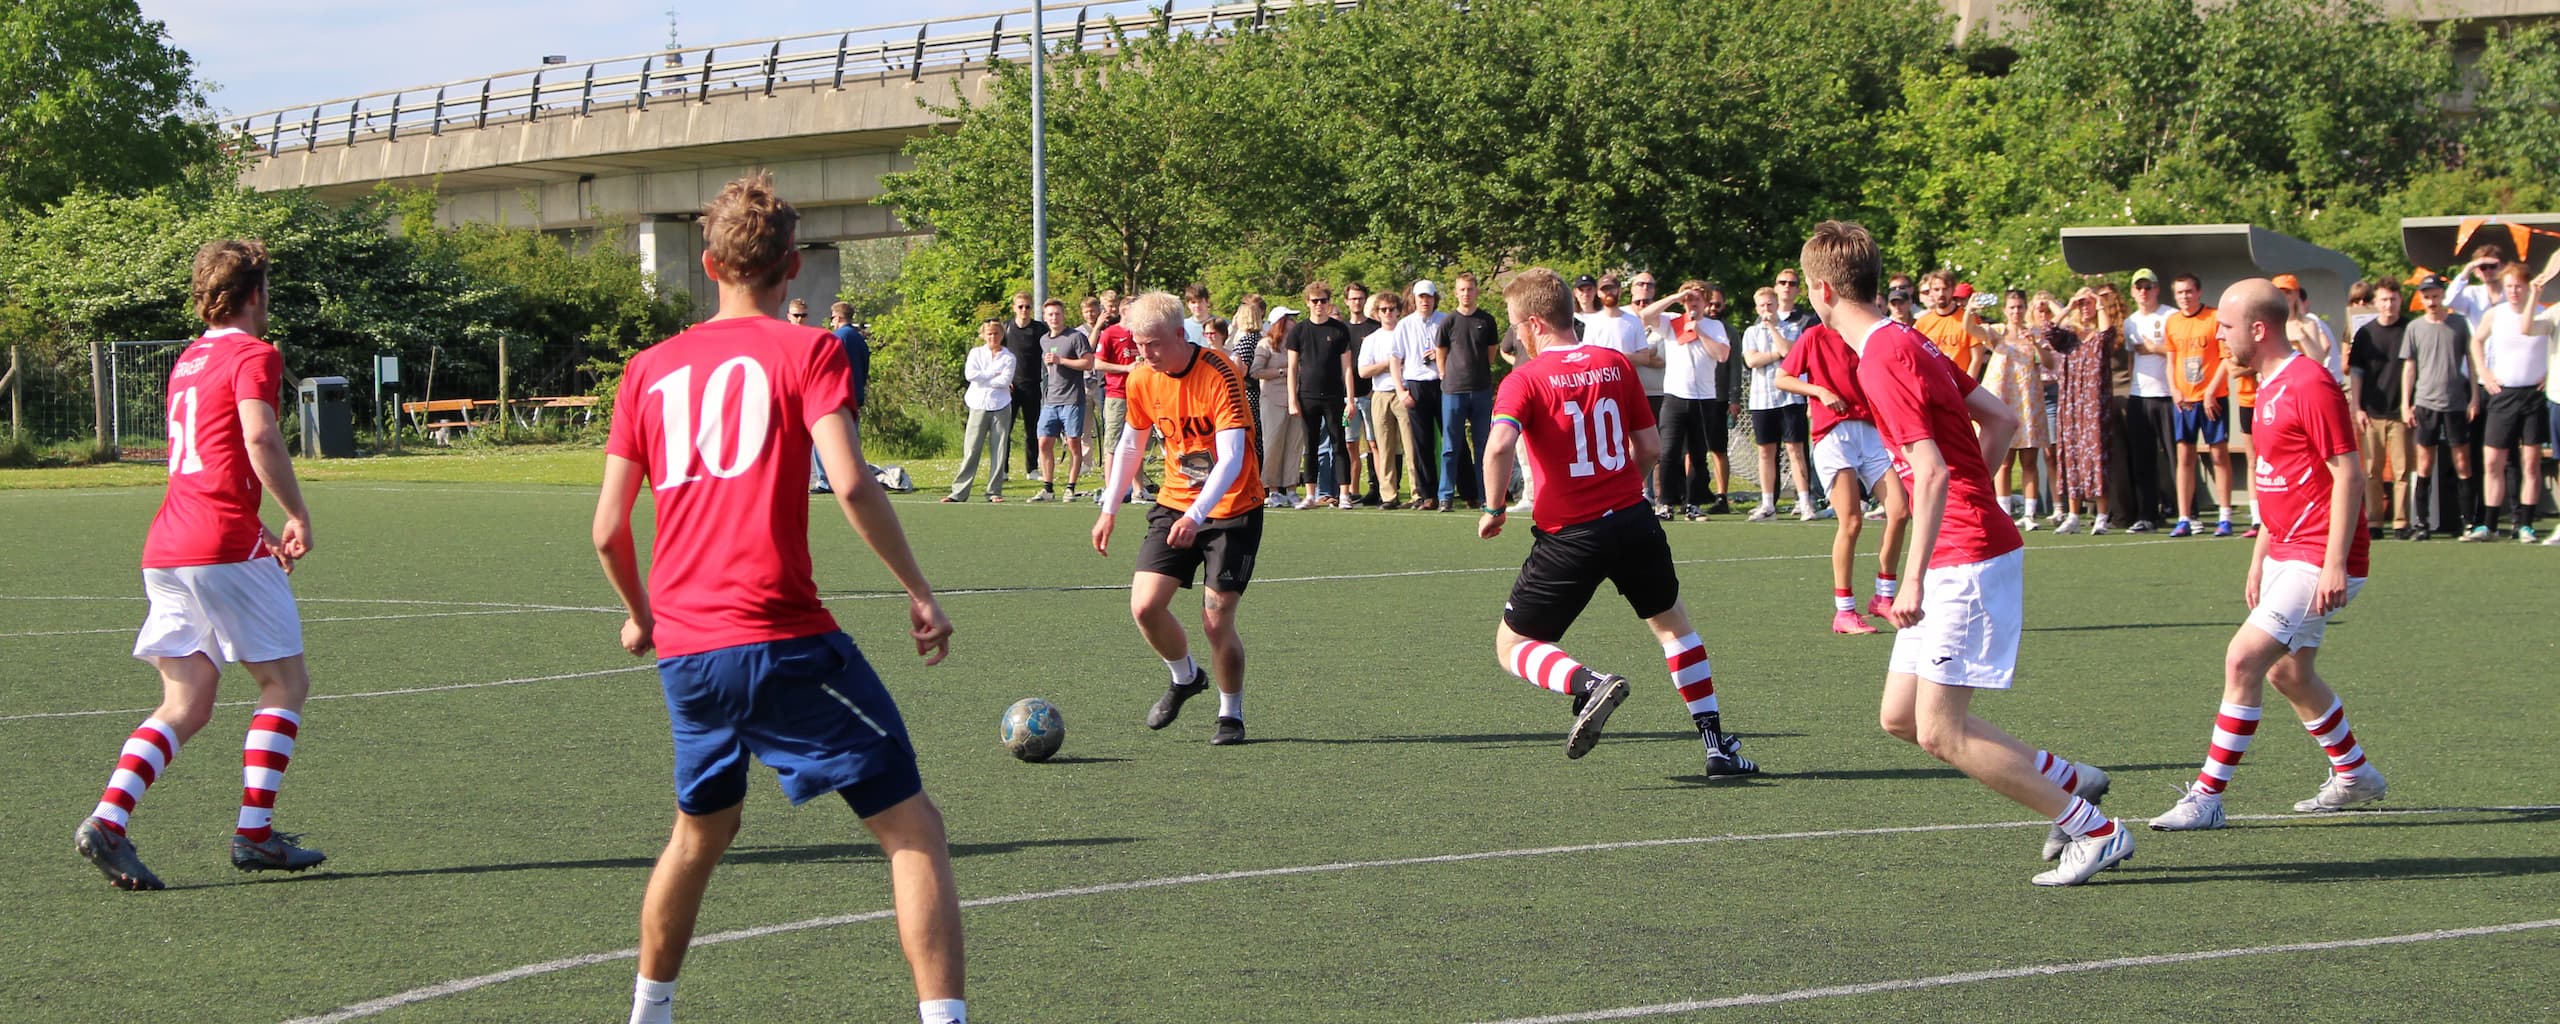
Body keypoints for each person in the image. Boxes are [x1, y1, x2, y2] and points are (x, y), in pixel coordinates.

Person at [591, 174, 964, 1024]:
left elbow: (609, 527)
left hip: (688, 652)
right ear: (793, 266)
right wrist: (919, 591)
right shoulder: (809, 351)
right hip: (778, 636)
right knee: (913, 831)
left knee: (701, 833)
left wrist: (644, 615)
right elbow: (852, 483)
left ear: (709, 264)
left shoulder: (646, 370)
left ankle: (649, 1015)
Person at [1800, 220, 2128, 887]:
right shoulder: (1907, 340)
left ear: (1823, 290)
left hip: (1964, 558)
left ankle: (2095, 830)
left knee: (1940, 732)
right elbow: (2001, 420)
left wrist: (1909, 577)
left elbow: (1933, 470)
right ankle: (2073, 782)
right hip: (1963, 543)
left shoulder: (1882, 357)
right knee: (1899, 716)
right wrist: (1969, 496)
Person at [75, 239, 325, 891]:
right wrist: (295, 513)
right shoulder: (254, 354)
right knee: (284, 684)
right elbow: (259, 436)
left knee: (186, 700)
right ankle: (255, 834)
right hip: (217, 545)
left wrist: (261, 529)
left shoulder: (187, 361)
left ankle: (109, 820)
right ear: (254, 294)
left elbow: (206, 465)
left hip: (168, 547)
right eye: (267, 290)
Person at [1474, 268, 1759, 778]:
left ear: (1535, 323)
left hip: (1571, 535)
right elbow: (1649, 448)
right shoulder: (1613, 364)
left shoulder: (1526, 379)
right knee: (1675, 630)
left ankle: (1587, 683)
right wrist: (1622, 487)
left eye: (1517, 326)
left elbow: (1498, 445)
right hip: (1633, 520)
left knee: (1512, 645)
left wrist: (1495, 509)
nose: (1516, 336)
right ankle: (1717, 747)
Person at [2149, 280, 2383, 833]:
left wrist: (2333, 564)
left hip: (2319, 552)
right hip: (2285, 549)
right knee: (2288, 674)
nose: (2218, 336)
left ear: (2259, 329)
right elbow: (2276, 481)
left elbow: (2348, 473)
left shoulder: (2309, 382)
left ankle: (2207, 798)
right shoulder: (2265, 385)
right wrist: (2259, 556)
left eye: (2225, 327)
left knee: (2242, 659)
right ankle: (2356, 774)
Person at [1092, 292, 1263, 747]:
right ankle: (1185, 677)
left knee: (1215, 620)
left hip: (1231, 509)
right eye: (1137, 345)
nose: (1144, 354)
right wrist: (1109, 508)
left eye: (1152, 344)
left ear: (1178, 335)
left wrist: (1196, 514)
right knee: (1145, 606)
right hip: (1174, 503)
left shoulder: (1219, 373)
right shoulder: (1142, 378)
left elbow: (1231, 458)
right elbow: (1131, 444)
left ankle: (1231, 713)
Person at [1776, 319, 1909, 634]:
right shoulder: (1814, 335)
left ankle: (1884, 598)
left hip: (1872, 432)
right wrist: (1819, 391)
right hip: (1834, 434)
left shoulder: (1869, 334)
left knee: (1900, 511)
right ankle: (1844, 612)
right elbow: (1783, 378)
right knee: (1851, 521)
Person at [2468, 263, 2555, 542]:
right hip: (2502, 394)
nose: (2514, 291)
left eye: (2518, 286)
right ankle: (2490, 525)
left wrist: (2548, 375)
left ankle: (2525, 524)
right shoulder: (2495, 314)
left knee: (2530, 462)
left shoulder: (2543, 314)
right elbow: (2476, 342)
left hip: (2533, 395)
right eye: (2509, 287)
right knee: (2493, 460)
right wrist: (2484, 373)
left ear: (2528, 287)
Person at [2398, 275, 2477, 539]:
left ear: (2442, 295)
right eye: (2426, 296)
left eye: (2435, 295)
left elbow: (2472, 362)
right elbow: (2409, 367)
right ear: (2421, 298)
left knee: (2462, 461)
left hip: (2455, 401)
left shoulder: (2458, 323)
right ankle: (2422, 523)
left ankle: (2468, 521)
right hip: (2425, 401)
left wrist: (2474, 397)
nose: (2431, 301)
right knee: (2424, 462)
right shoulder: (2415, 328)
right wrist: (2405, 403)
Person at [1652, 280, 1733, 521]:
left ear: (1706, 302)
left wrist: (1698, 330)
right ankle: (1665, 503)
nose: (1692, 302)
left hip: (1704, 398)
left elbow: (1722, 354)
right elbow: (1645, 316)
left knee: (1698, 453)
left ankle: (1693, 503)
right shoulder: (1671, 321)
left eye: (1697, 298)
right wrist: (1674, 299)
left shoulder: (1714, 326)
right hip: (1675, 396)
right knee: (1668, 451)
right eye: (1688, 298)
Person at [2165, 273, 2235, 538]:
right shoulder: (2172, 322)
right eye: (2180, 292)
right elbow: (2171, 361)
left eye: (2189, 291)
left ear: (2199, 292)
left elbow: (2226, 358)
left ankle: (2225, 515)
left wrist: (2211, 393)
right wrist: (2174, 390)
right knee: (2184, 457)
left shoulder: (2214, 317)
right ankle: (2184, 518)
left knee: (2219, 455)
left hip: (2212, 398)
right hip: (2185, 401)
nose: (2185, 296)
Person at [1740, 287, 1817, 521]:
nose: (1766, 310)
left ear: (1777, 305)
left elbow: (1789, 351)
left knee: (1795, 449)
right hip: (1762, 400)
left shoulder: (1792, 329)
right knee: (1766, 451)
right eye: (1762, 306)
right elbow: (1752, 360)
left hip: (1790, 398)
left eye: (1770, 305)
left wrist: (1773, 329)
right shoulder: (1751, 332)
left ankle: (1804, 502)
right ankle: (1767, 504)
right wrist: (1776, 355)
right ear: (1756, 308)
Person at [2347, 280, 2413, 538]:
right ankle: (2374, 522)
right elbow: (2356, 372)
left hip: (2400, 411)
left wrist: (2411, 403)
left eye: (2393, 299)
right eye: (2384, 300)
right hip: (2371, 412)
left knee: (2402, 471)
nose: (2388, 305)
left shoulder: (2410, 328)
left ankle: (2401, 522)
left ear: (2400, 301)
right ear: (2375, 302)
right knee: (2372, 470)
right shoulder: (2366, 333)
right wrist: (2357, 406)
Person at [2050, 287, 2118, 535]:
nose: (2085, 308)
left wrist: (2099, 303)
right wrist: (2068, 306)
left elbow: (2108, 333)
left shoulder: (2099, 338)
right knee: (2072, 456)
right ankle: (2073, 515)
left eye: (2088, 304)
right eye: (2083, 304)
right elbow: (2049, 330)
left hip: (2094, 405)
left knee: (2097, 455)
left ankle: (2101, 515)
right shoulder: (2069, 338)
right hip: (2071, 404)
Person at [1287, 282, 1357, 509]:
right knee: (1311, 445)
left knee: (1339, 443)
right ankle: (1310, 494)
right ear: (1308, 302)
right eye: (1315, 301)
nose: (1319, 305)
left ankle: (1345, 494)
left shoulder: (1339, 330)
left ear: (1329, 303)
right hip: (1307, 395)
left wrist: (1351, 399)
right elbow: (1292, 368)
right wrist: (1292, 398)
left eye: (1323, 301)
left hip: (1334, 395)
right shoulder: (1298, 331)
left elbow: (1347, 367)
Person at [2121, 269, 2176, 531]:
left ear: (2157, 289)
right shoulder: (2129, 321)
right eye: (2139, 287)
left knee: (2178, 457)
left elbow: (2180, 349)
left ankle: (2189, 513)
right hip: (2139, 397)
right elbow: (2132, 357)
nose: (2143, 292)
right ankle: (2147, 514)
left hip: (2168, 395)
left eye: (2148, 286)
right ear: (2133, 291)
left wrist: (2154, 348)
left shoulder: (2170, 315)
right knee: (2142, 459)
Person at [942, 320, 1016, 503]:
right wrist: (993, 374)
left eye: (996, 333)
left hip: (1001, 405)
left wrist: (986, 377)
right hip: (978, 404)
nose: (993, 337)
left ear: (1002, 335)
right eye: (989, 334)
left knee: (999, 450)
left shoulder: (1009, 357)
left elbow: (1005, 381)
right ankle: (959, 492)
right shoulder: (976, 353)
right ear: (983, 335)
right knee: (972, 449)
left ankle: (994, 491)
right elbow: (971, 375)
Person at [1030, 298, 1095, 502]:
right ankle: (1048, 488)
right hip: (1051, 400)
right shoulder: (1044, 340)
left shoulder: (1076, 337)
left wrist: (1062, 361)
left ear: (1063, 315)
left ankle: (1070, 487)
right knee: (1044, 442)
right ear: (1044, 317)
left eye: (1057, 314)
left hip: (1073, 399)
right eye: (1050, 314)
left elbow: (1088, 363)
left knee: (1073, 443)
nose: (1054, 318)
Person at [1091, 295, 1154, 506]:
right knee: (1113, 443)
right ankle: (1111, 490)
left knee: (1138, 442)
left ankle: (1138, 489)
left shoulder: (1142, 334)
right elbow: (1098, 364)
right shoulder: (1110, 333)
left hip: (1140, 394)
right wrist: (1125, 369)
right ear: (1125, 311)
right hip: (1117, 394)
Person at [1359, 290, 1418, 507]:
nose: (1388, 313)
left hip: (1404, 391)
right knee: (1384, 447)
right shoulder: (1372, 340)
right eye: (1383, 310)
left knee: (1411, 446)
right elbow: (1363, 371)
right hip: (1381, 394)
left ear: (1398, 311)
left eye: (1392, 309)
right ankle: (1388, 494)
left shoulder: (1407, 334)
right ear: (1377, 313)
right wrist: (1388, 363)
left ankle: (1417, 492)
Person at [808, 302, 874, 494]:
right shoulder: (859, 339)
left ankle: (826, 480)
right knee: (850, 440)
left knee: (822, 439)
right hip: (855, 396)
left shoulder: (837, 338)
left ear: (837, 317)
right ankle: (851, 477)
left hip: (836, 396)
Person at [1254, 308, 1305, 507]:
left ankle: (1291, 488)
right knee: (1273, 444)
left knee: (1294, 445)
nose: (1293, 322)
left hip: (1296, 399)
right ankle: (1273, 489)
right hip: (1272, 400)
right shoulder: (1265, 345)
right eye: (1289, 319)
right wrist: (1283, 372)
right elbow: (1256, 371)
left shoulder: (1298, 345)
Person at [1914, 270, 1999, 380]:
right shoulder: (1922, 323)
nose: (1941, 294)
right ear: (1930, 292)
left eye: (1945, 289)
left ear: (1953, 290)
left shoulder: (1969, 319)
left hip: (1960, 383)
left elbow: (1976, 358)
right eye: (1936, 289)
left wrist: (1968, 389)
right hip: (1935, 383)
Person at [1002, 293, 1048, 480]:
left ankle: (1032, 469)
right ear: (1014, 307)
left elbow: (1050, 348)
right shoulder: (1006, 328)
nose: (1024, 310)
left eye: (1028, 307)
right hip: (1009, 388)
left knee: (1033, 429)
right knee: (1005, 430)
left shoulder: (1039, 329)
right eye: (1020, 306)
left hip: (1032, 386)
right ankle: (1002, 470)